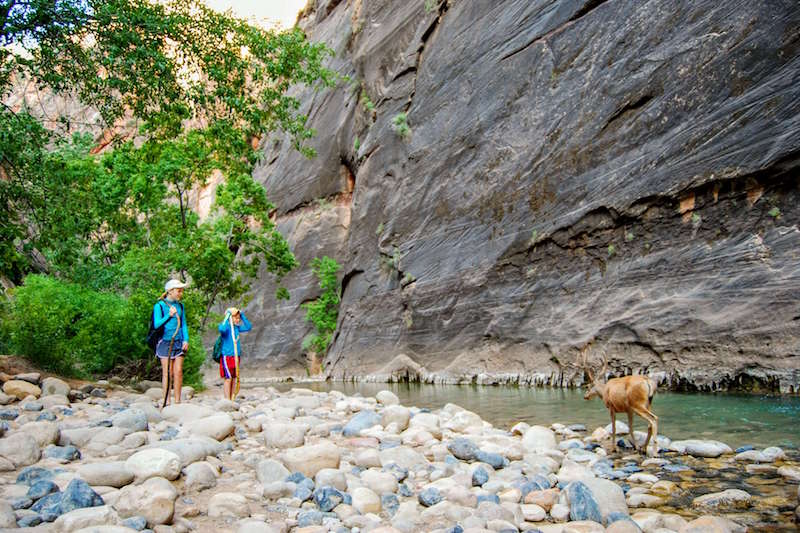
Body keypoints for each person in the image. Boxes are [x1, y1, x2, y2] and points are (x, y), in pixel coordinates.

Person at [153, 279, 189, 405]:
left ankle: (178, 401)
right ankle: (167, 401)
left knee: (178, 371)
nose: (181, 293)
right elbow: (157, 324)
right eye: (178, 290)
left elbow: (183, 324)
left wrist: (186, 339)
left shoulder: (181, 306)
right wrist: (168, 315)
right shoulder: (159, 306)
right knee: (168, 372)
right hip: (165, 342)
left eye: (181, 291)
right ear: (170, 291)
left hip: (179, 341)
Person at [218, 306, 252, 400]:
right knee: (228, 378)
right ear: (230, 318)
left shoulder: (237, 328)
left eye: (238, 318)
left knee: (233, 378)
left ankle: (232, 398)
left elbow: (248, 327)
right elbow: (221, 329)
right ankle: (226, 399)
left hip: (236, 356)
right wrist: (228, 314)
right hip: (227, 356)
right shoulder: (227, 328)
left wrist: (242, 315)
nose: (237, 320)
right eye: (235, 318)